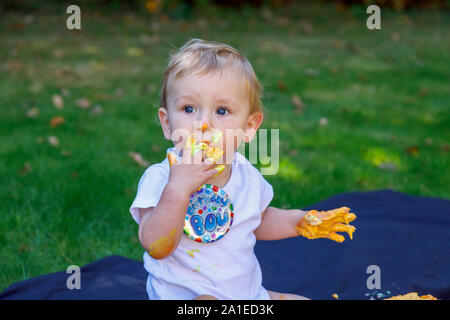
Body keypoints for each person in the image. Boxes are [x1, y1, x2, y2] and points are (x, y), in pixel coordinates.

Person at [129, 39, 354, 300]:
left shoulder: (246, 175)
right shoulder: (160, 178)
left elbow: (256, 218)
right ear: (167, 123)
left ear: (248, 127)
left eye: (222, 111)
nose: (204, 124)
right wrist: (177, 190)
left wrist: (300, 221)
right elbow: (156, 246)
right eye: (189, 109)